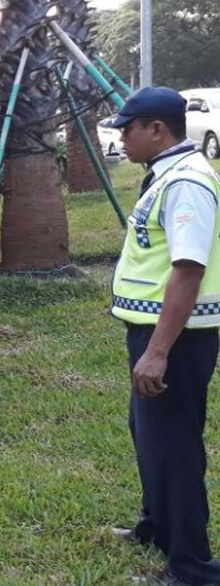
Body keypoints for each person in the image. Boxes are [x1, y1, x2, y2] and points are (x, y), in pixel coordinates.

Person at [104, 86, 220, 586]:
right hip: (158, 332)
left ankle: (192, 565)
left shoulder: (187, 183)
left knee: (174, 446)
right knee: (148, 434)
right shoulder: (168, 175)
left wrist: (157, 352)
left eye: (127, 129)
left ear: (157, 129)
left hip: (176, 339)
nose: (122, 138)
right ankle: (157, 526)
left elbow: (188, 271)